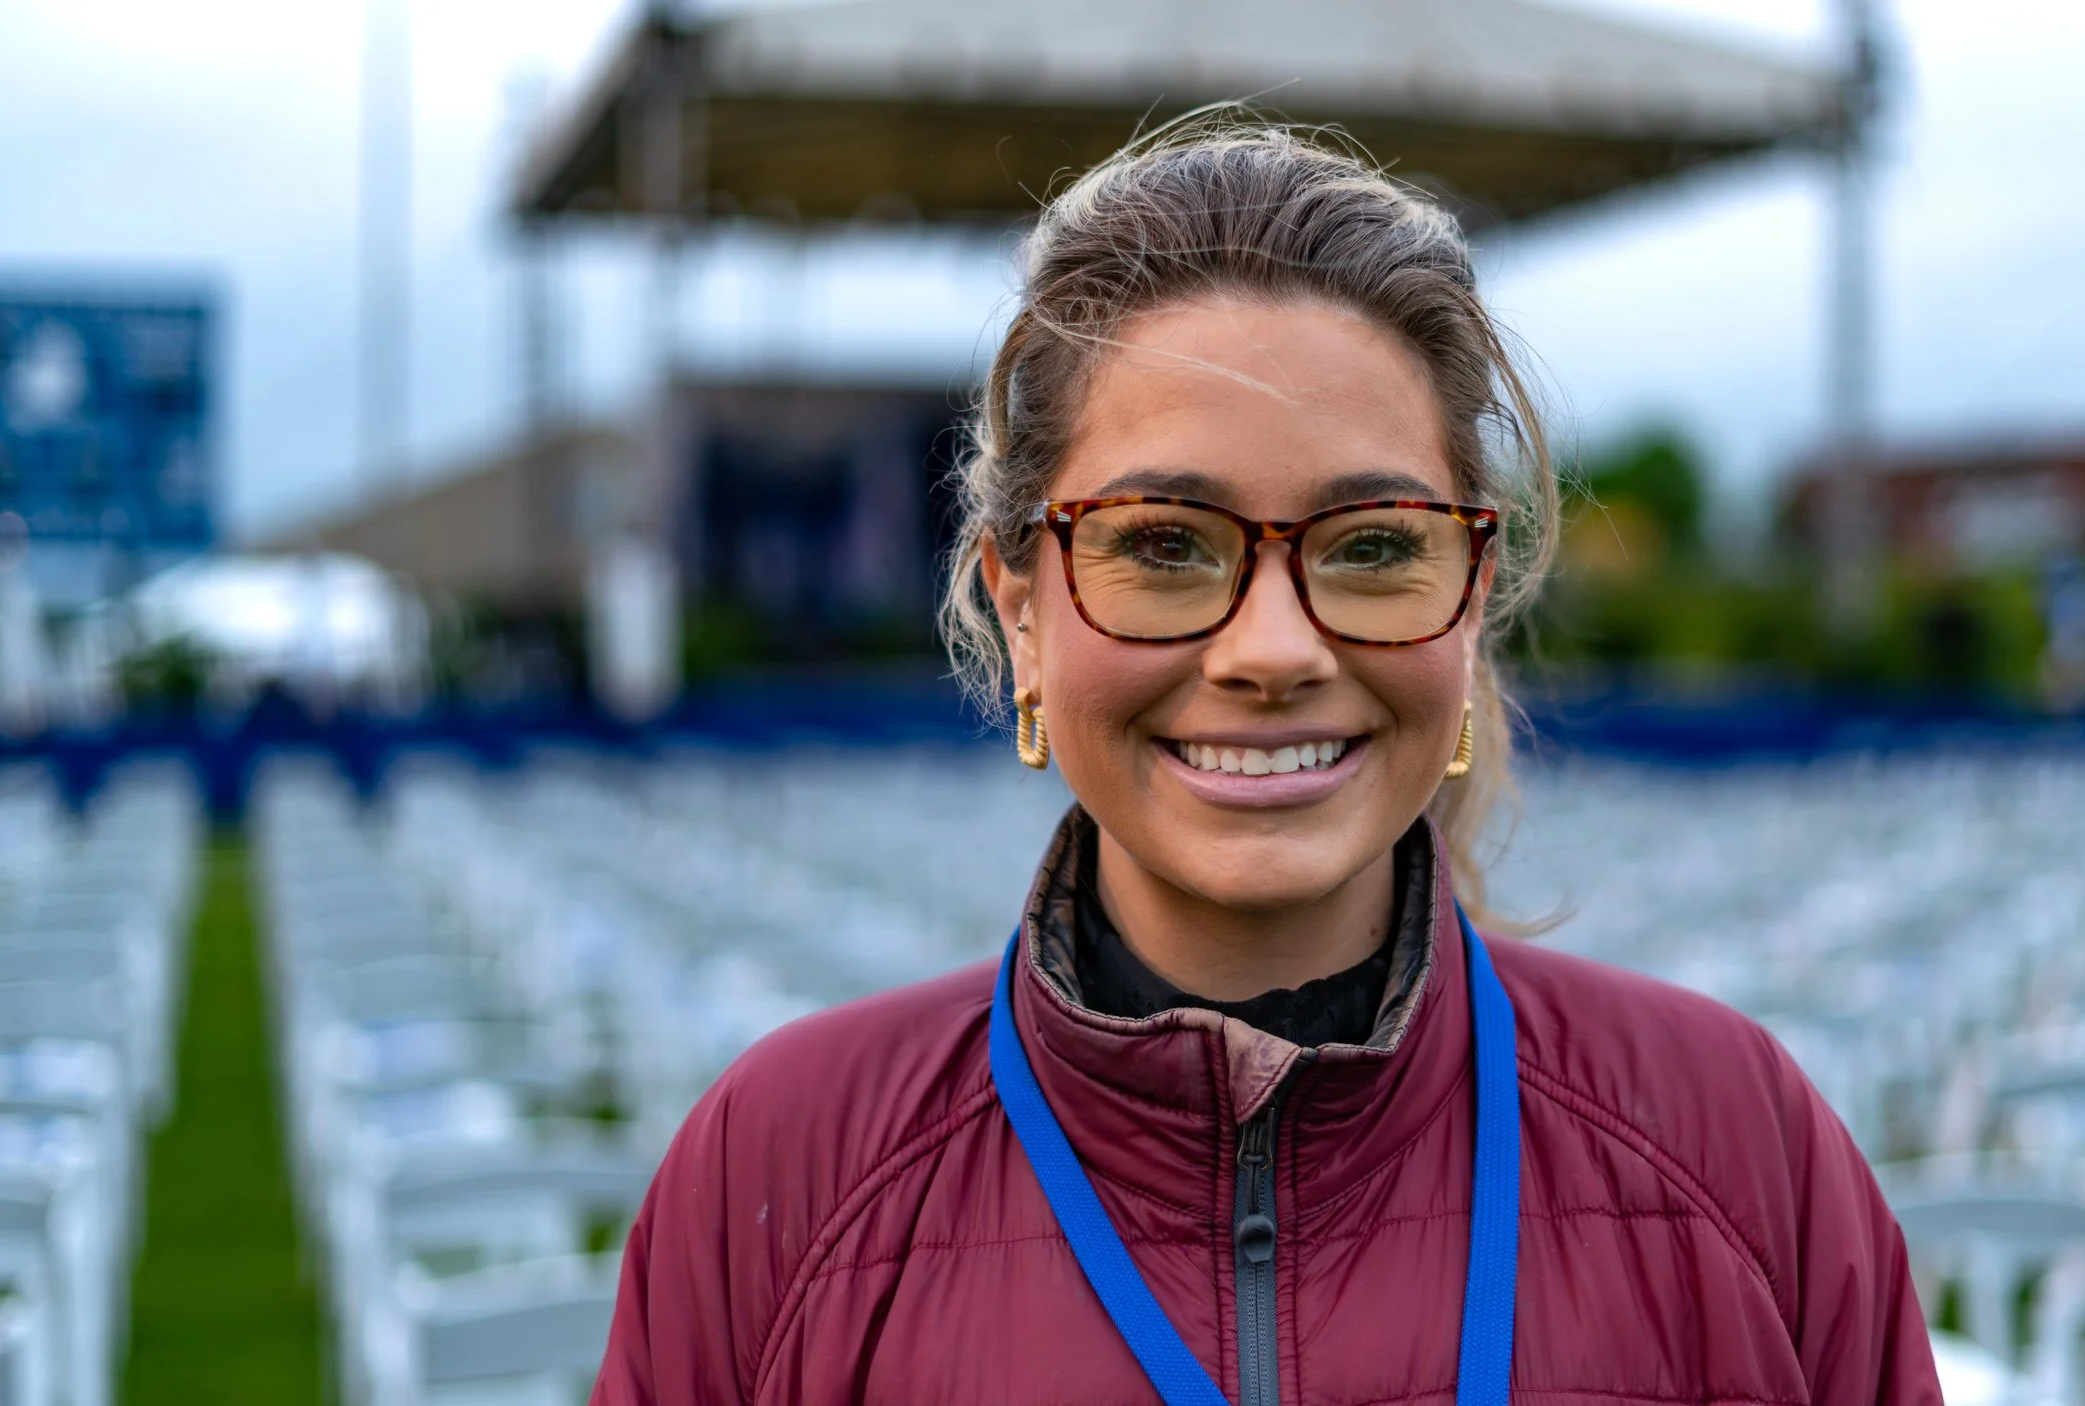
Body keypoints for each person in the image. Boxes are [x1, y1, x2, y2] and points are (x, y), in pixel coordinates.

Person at [593, 121, 1940, 1405]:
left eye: (1371, 546)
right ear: (1021, 609)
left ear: (1469, 603)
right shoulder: (780, 1176)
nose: (1274, 648)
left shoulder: (1735, 1146)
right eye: (1165, 543)